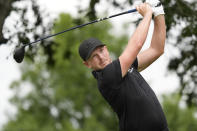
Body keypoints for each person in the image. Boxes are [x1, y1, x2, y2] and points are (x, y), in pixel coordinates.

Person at [78, 1, 169, 131]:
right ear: (87, 64)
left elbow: (157, 49)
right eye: (94, 56)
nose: (101, 57)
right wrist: (148, 14)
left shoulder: (124, 67)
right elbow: (137, 44)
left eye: (101, 51)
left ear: (106, 49)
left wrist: (159, 12)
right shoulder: (107, 77)